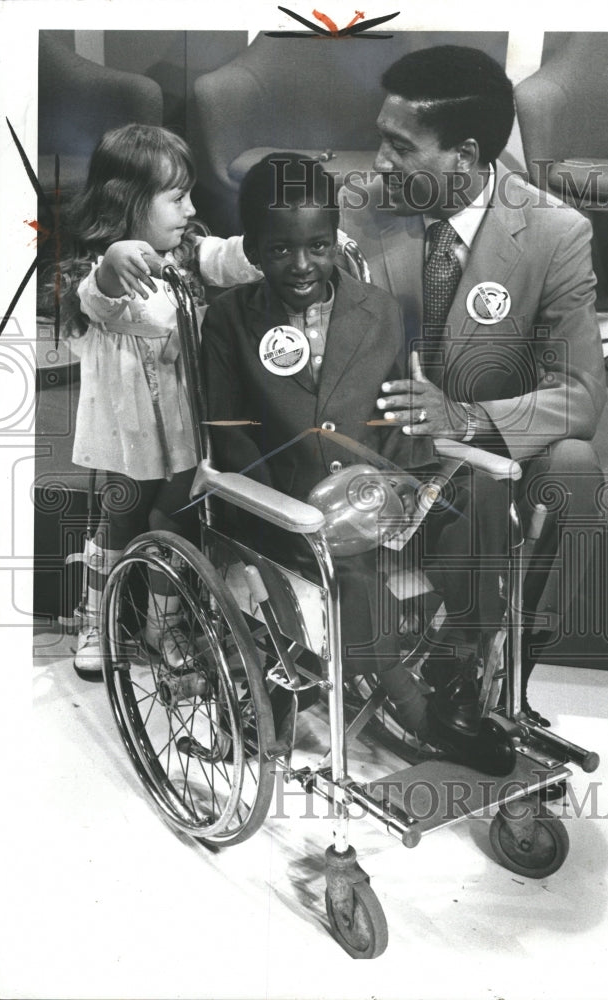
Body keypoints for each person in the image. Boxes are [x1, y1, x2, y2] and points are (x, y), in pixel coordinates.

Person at [340, 45, 607, 725]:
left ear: (464, 154)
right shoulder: (357, 209)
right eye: (379, 138)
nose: (379, 162)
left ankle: (511, 673)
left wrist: (462, 416)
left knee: (574, 469)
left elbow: (581, 393)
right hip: (381, 452)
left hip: (483, 446)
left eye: (399, 146)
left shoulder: (556, 231)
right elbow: (257, 262)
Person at [200, 152, 479, 755]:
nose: (302, 265)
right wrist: (292, 510)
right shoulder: (227, 321)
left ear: (336, 240)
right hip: (281, 509)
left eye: (319, 246)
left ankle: (464, 676)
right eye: (280, 250)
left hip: (374, 491)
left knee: (471, 522)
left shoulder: (381, 311)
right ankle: (419, 712)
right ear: (252, 249)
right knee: (345, 568)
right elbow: (231, 434)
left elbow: (395, 417)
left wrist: (413, 490)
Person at [55, 123, 260, 678]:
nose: (191, 208)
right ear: (127, 202)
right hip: (126, 430)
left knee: (176, 516)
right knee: (120, 517)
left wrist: (270, 239)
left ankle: (162, 623)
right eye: (177, 197)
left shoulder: (188, 252)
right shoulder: (93, 268)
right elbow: (98, 303)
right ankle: (96, 617)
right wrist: (111, 265)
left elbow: (229, 257)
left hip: (184, 421)